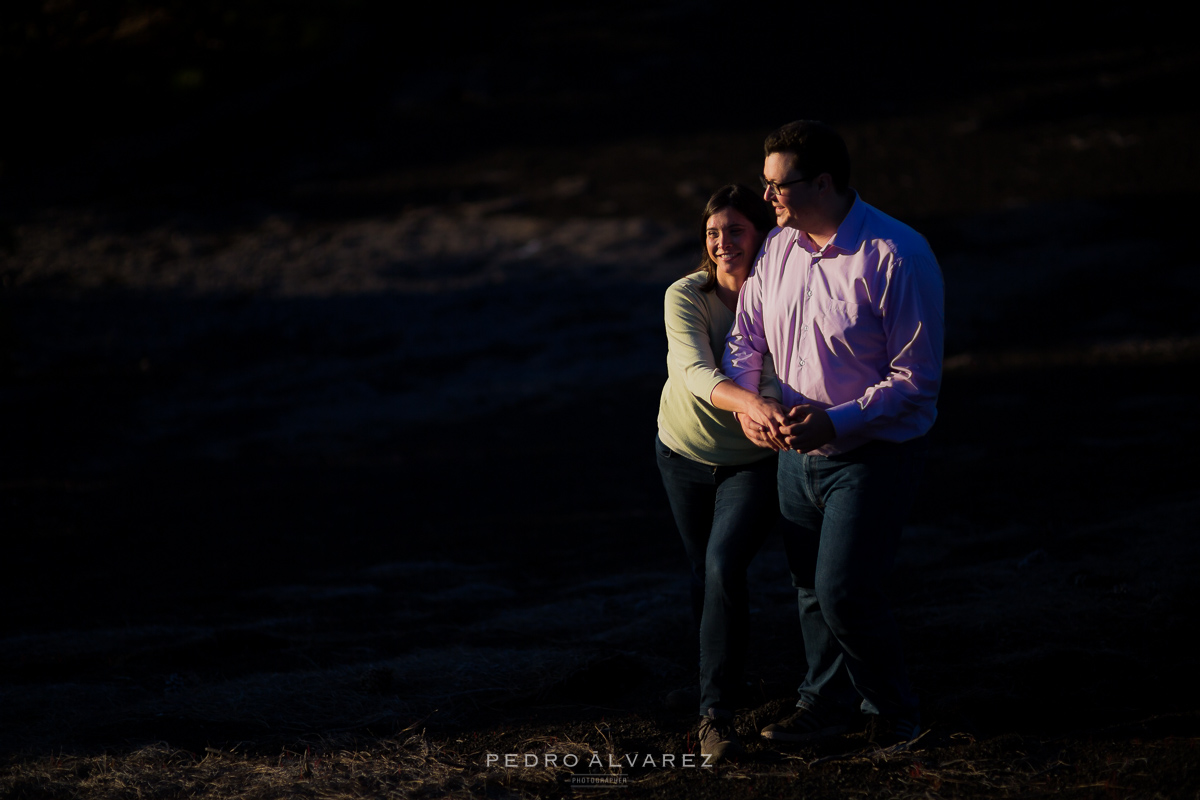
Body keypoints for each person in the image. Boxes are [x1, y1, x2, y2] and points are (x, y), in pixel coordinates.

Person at [724, 120, 944, 748]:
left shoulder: (896, 254)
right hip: (795, 453)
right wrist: (752, 406)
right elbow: (746, 337)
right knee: (810, 593)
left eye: (777, 186)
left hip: (874, 453)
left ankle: (895, 712)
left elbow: (917, 380)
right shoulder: (778, 248)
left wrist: (836, 419)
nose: (765, 198)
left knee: (844, 590)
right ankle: (825, 703)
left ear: (822, 181)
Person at [655, 184, 790, 764]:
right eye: (713, 232)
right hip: (680, 452)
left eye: (735, 230)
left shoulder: (784, 295)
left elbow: (791, 372)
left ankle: (715, 715)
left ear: (760, 234)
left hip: (752, 463)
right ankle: (718, 680)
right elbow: (692, 371)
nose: (722, 242)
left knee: (721, 564)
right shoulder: (686, 295)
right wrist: (754, 404)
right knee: (701, 572)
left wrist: (770, 405)